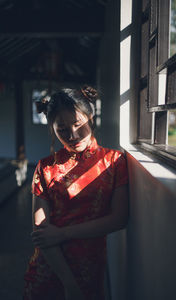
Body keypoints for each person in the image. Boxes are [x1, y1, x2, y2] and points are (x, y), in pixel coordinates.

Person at [23, 86, 129, 300]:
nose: (73, 135)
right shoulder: (44, 168)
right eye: (62, 129)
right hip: (48, 269)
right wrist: (70, 285)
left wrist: (63, 233)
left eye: (78, 124)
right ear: (52, 129)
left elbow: (119, 219)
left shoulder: (114, 162)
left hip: (91, 268)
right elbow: (41, 233)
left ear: (90, 117)